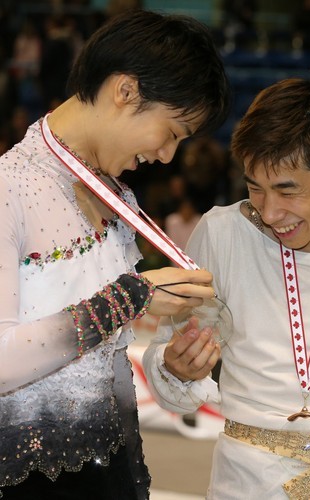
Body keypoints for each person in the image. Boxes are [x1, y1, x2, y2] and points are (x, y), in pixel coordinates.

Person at [0, 9, 230, 499]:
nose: (168, 156)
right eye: (172, 132)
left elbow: (106, 359)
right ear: (126, 91)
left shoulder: (117, 197)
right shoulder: (8, 189)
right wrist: (131, 297)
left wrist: (172, 366)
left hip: (111, 471)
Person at [143, 78, 310, 499]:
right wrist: (176, 368)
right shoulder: (224, 233)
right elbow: (169, 365)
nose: (270, 212)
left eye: (288, 190)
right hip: (244, 483)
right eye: (255, 187)